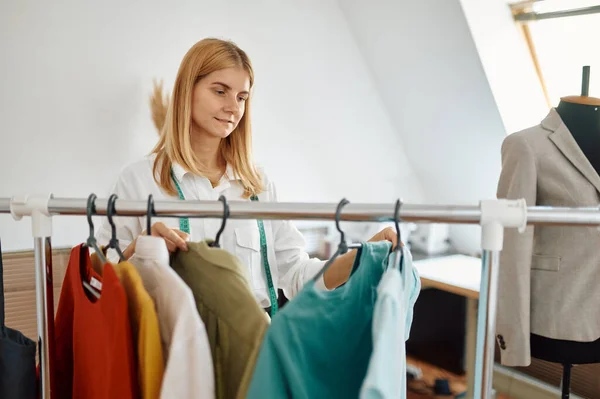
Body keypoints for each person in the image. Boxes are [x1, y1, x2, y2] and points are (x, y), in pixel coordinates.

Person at [96, 37, 397, 310]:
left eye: (241, 97)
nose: (232, 107)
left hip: (253, 347)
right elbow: (102, 285)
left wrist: (362, 256)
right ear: (187, 90)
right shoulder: (136, 181)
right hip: (174, 349)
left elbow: (296, 275)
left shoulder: (259, 185)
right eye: (220, 91)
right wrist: (142, 246)